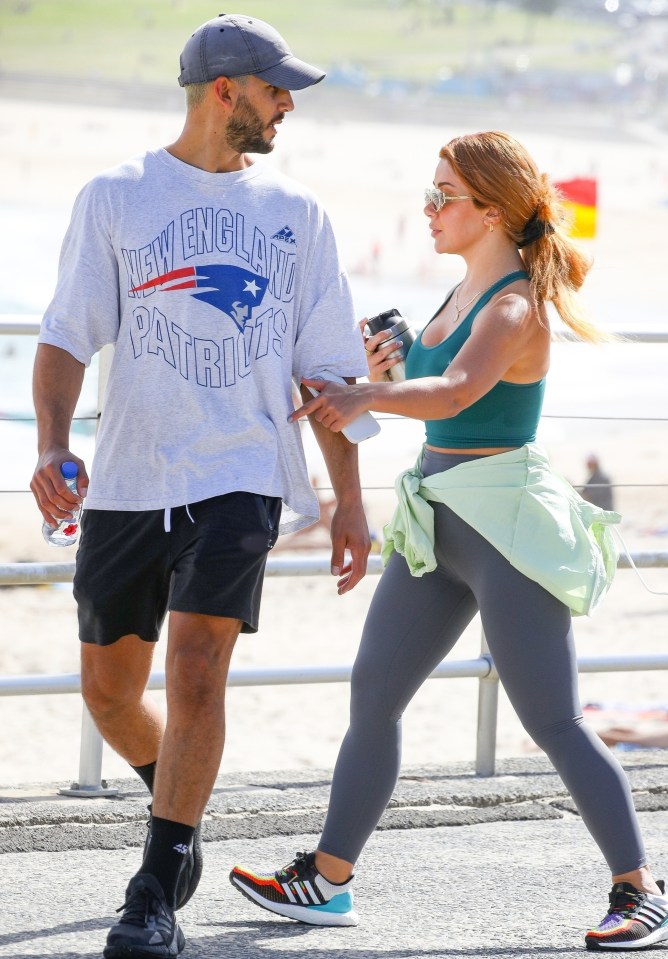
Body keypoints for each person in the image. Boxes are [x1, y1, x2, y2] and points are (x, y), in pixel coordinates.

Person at [229, 130, 668, 951]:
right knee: (374, 693)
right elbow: (431, 391)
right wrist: (381, 375)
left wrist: (370, 389)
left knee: (552, 719)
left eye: (443, 196)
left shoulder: (512, 304)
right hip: (437, 516)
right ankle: (327, 878)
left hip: (504, 524)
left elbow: (459, 390)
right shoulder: (456, 295)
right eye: (429, 193)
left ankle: (640, 889)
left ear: (492, 209)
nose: (427, 209)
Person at [30, 13, 371, 959]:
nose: (287, 106)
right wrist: (53, 445)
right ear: (225, 90)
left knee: (196, 670)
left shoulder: (298, 215)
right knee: (108, 690)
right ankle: (178, 813)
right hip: (131, 477)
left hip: (242, 474)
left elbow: (326, 372)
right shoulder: (116, 196)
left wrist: (347, 496)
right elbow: (64, 334)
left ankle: (154, 882)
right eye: (275, 89)